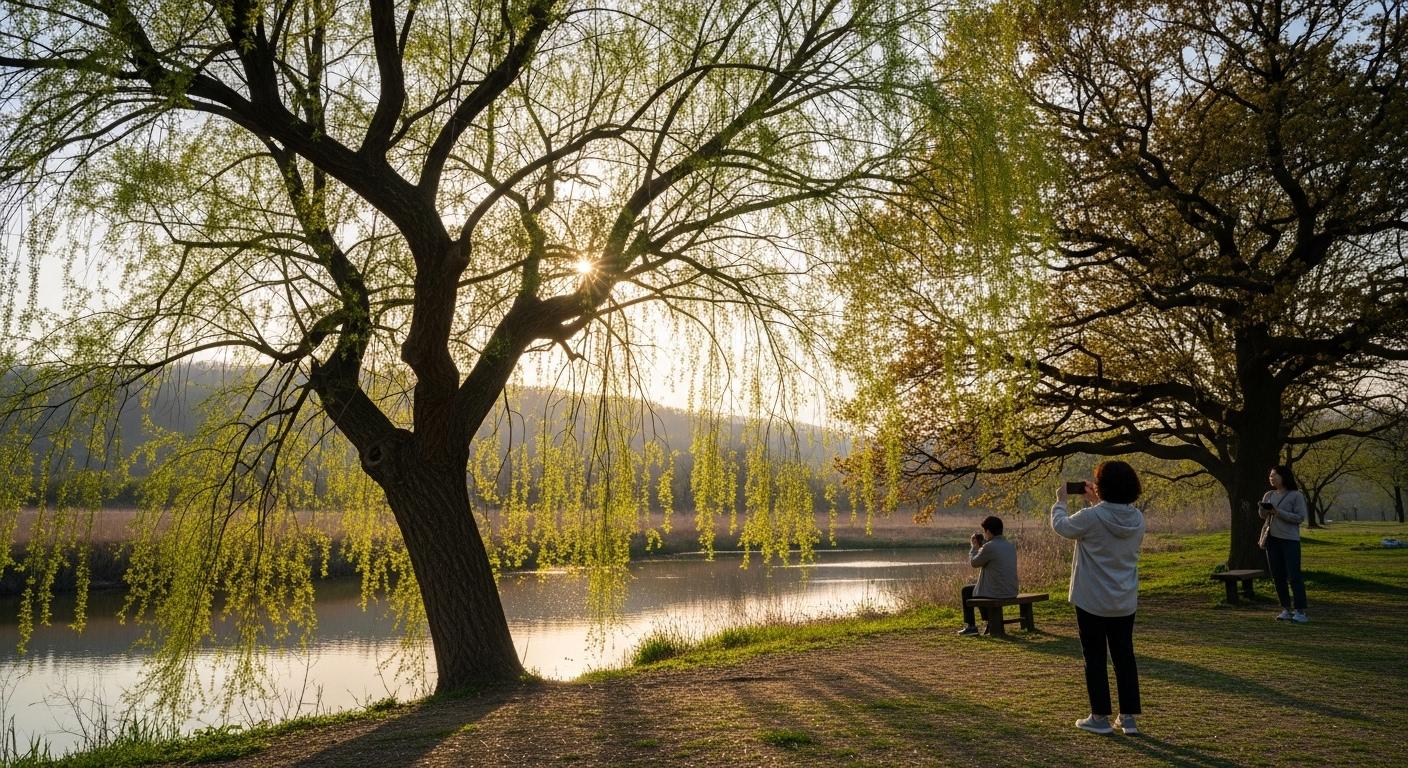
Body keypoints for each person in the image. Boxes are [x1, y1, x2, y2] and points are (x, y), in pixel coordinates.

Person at [1052, 461, 1146, 736]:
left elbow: (1062, 526)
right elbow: (1111, 518)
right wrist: (1098, 502)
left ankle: (1100, 716)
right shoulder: (1137, 518)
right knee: (1124, 656)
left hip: (1092, 598)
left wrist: (1059, 502)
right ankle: (1128, 718)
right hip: (1124, 598)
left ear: (1101, 486)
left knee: (1094, 657)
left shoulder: (1090, 517)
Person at [1260, 464, 1309, 623]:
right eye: (1270, 476)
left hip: (1289, 540)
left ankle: (1300, 611)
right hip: (1271, 540)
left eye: (1274, 475)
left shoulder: (1296, 495)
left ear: (1284, 477)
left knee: (1294, 576)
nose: (1271, 478)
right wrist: (1262, 509)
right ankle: (1286, 609)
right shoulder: (1269, 494)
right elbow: (1263, 517)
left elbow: (1300, 518)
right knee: (1277, 576)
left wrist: (1277, 512)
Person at [957, 515, 1018, 636]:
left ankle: (972, 627)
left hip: (997, 592)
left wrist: (974, 547)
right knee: (977, 589)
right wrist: (982, 547)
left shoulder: (989, 546)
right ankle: (989, 621)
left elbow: (974, 563)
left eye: (985, 532)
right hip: (1011, 590)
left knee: (967, 591)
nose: (984, 535)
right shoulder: (1010, 546)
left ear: (989, 531)